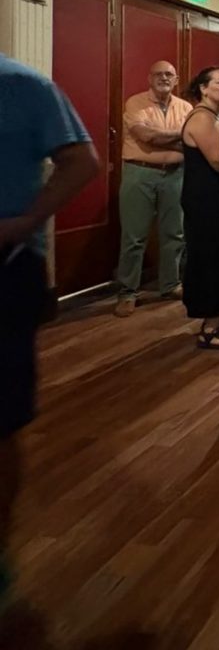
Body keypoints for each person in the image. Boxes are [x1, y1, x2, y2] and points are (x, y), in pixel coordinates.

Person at [0, 55, 99, 600]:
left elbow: (82, 163)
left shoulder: (22, 85)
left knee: (2, 419)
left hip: (7, 267)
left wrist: (24, 222)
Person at [114, 61, 192, 317]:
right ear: (149, 78)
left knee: (175, 233)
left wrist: (161, 136)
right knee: (134, 237)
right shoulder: (135, 103)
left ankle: (170, 285)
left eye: (168, 74)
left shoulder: (186, 107)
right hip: (140, 173)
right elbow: (146, 137)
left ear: (177, 79)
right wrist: (176, 135)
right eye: (158, 74)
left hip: (176, 175)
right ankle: (127, 292)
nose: (163, 78)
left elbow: (191, 141)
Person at [180, 67, 219, 349]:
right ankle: (210, 327)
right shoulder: (202, 118)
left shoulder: (214, 116)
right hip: (205, 201)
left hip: (216, 198)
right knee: (208, 258)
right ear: (204, 88)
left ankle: (218, 318)